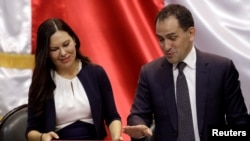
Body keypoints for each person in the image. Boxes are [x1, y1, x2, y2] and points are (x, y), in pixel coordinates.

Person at [123, 4, 249, 141]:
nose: (166, 47)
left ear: (191, 33)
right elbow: (138, 114)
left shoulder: (221, 69)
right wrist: (139, 127)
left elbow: (239, 124)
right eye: (161, 39)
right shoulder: (150, 73)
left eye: (172, 38)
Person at [26, 18, 123, 141]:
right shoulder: (40, 82)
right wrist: (42, 137)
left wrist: (115, 137)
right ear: (46, 53)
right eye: (54, 49)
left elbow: (112, 116)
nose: (63, 53)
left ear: (74, 40)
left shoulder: (96, 73)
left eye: (66, 44)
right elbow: (30, 131)